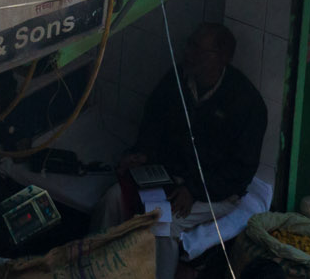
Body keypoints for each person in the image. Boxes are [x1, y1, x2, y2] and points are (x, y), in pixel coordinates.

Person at [102, 24, 268, 279]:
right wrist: (141, 153)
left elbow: (241, 169)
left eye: (198, 50)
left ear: (222, 58)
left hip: (214, 193)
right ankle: (93, 269)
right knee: (113, 198)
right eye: (189, 45)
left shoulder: (247, 102)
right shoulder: (176, 80)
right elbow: (152, 124)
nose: (188, 54)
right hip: (170, 177)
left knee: (165, 226)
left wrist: (195, 189)